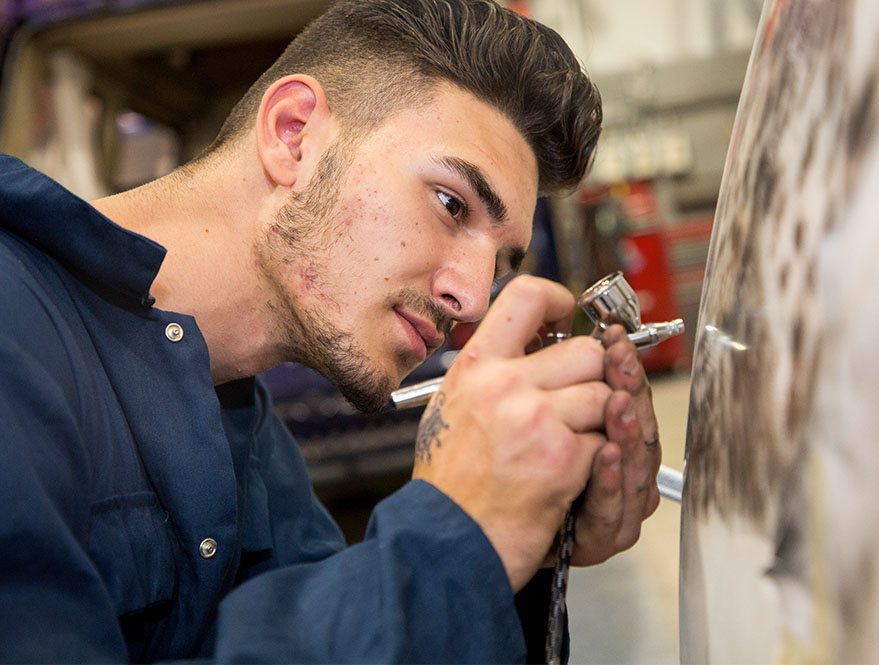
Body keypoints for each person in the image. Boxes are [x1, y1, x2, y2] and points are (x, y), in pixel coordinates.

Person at [0, 0, 662, 661]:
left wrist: (517, 545)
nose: (471, 299)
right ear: (294, 135)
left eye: (501, 261)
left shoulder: (250, 440)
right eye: (451, 203)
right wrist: (452, 544)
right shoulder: (15, 333)